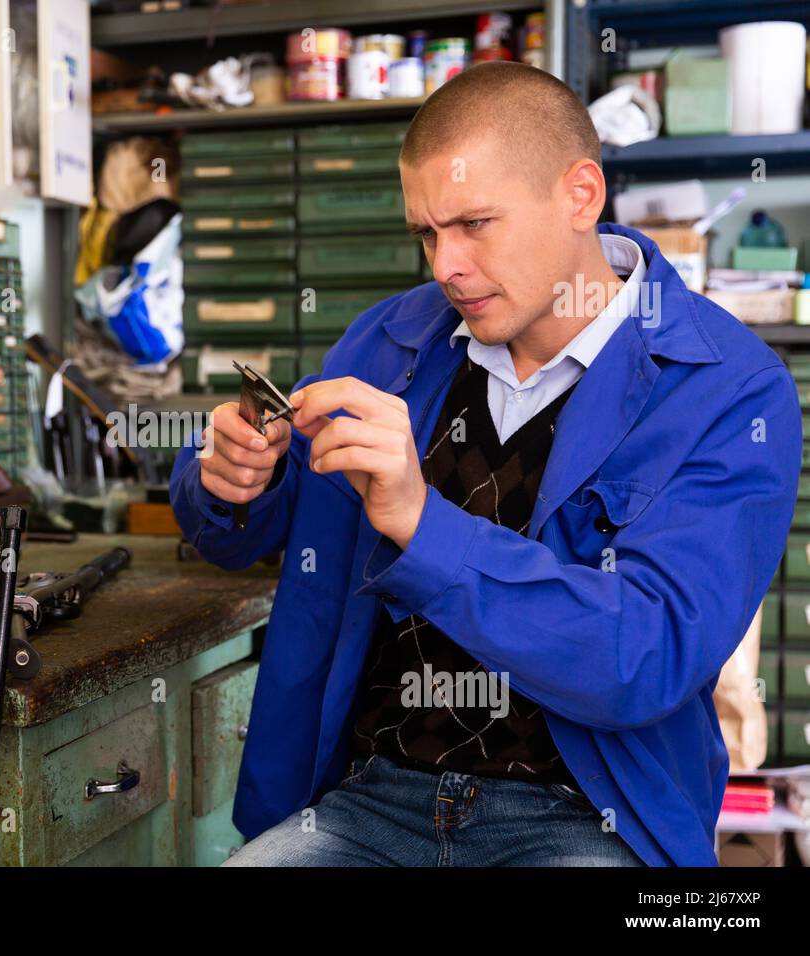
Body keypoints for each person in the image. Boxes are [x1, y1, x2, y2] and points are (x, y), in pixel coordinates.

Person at [169, 61, 800, 866]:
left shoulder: (727, 389)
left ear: (580, 194)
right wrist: (233, 482)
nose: (444, 266)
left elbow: (648, 657)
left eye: (474, 224)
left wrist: (425, 527)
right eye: (427, 232)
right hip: (370, 798)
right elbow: (244, 537)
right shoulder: (389, 340)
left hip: (584, 817)